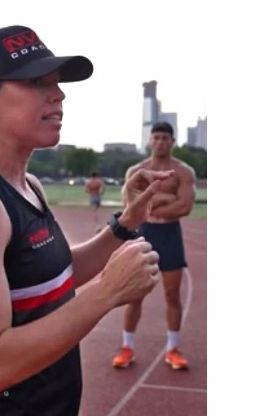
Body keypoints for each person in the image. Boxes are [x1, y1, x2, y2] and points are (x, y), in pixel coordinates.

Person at [0, 25, 170, 415]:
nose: (58, 94)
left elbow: (50, 274)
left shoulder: (29, 185)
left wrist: (125, 224)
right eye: (37, 83)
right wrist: (107, 292)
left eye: (56, 83)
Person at [112, 121, 196, 371]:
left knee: (172, 294)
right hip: (143, 233)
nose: (160, 142)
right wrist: (166, 198)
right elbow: (131, 206)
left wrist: (150, 202)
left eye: (165, 138)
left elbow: (184, 207)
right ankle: (127, 347)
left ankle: (173, 349)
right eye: (156, 137)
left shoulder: (183, 172)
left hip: (170, 235)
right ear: (150, 141)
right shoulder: (136, 170)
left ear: (172, 141)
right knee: (134, 294)